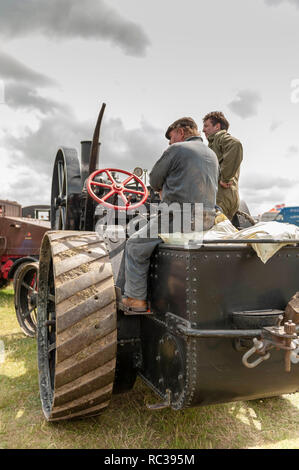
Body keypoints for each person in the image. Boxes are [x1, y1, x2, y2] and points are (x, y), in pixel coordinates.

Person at [122, 117, 219, 312]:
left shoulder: (177, 149)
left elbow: (155, 179)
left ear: (181, 132)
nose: (169, 141)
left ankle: (135, 299)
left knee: (134, 245)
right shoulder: (211, 154)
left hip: (178, 216)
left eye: (171, 136)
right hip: (208, 219)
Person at [202, 111, 243, 221]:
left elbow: (235, 145)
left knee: (214, 235)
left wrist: (225, 178)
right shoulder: (213, 143)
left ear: (217, 126)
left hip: (221, 197)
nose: (203, 130)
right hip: (228, 196)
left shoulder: (219, 138)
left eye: (206, 126)